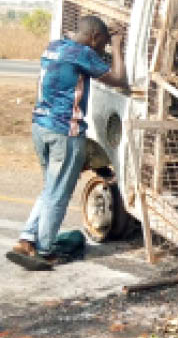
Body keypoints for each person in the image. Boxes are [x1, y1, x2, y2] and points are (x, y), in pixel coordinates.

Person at [6, 15, 127, 270]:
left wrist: (107, 36)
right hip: (64, 132)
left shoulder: (55, 47)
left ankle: (27, 239)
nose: (102, 49)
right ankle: (45, 249)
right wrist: (117, 45)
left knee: (50, 187)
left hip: (40, 126)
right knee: (59, 194)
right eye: (102, 43)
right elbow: (119, 79)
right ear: (94, 38)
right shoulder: (82, 54)